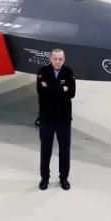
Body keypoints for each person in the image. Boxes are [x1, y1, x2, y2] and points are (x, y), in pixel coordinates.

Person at [36, 48, 76, 191]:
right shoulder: (42, 71)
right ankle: (44, 178)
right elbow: (42, 92)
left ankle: (63, 178)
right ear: (50, 59)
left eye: (60, 59)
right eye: (55, 59)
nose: (57, 62)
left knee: (64, 150)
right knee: (45, 149)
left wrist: (51, 88)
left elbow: (72, 93)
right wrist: (62, 89)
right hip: (47, 119)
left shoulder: (68, 72)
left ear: (64, 59)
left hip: (63, 119)